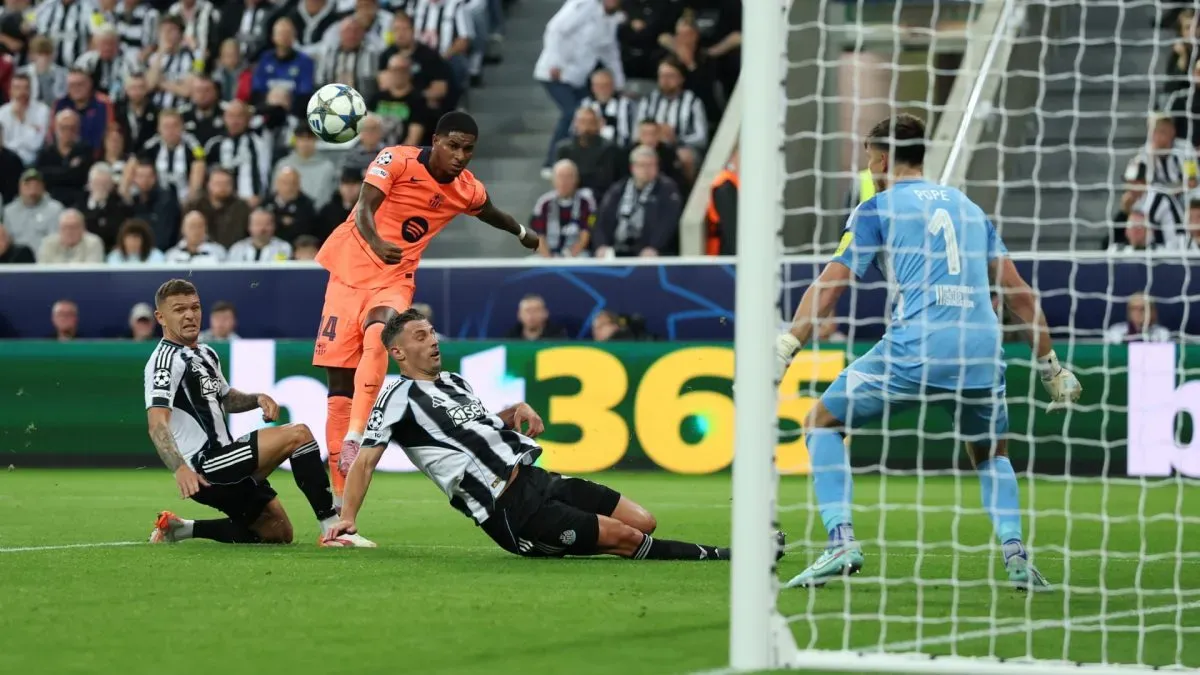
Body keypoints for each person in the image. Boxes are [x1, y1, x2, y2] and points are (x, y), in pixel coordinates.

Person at [775, 114, 1082, 591]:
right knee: (991, 453)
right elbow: (1018, 293)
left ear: (881, 158)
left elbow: (832, 283)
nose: (868, 165)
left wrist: (788, 344)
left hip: (916, 347)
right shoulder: (970, 208)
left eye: (869, 155)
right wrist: (1050, 367)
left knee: (821, 422)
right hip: (981, 352)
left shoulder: (876, 208)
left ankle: (841, 541)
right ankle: (1016, 555)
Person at [322, 309, 738, 561]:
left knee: (644, 522)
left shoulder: (454, 381)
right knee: (628, 539)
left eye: (431, 332)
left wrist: (514, 411)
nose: (432, 341)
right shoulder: (396, 397)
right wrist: (349, 519)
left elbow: (478, 428)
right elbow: (366, 461)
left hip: (538, 480)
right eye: (420, 336)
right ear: (397, 353)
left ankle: (563, 542)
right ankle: (717, 555)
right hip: (509, 508)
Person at [314, 111, 539, 508]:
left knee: (380, 333)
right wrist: (376, 243)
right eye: (453, 146)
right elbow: (364, 207)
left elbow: (492, 213)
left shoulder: (466, 189)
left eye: (468, 149)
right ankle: (338, 509)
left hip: (394, 278)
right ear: (435, 140)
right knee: (339, 387)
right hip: (348, 272)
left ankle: (355, 436)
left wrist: (522, 232)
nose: (460, 156)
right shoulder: (396, 159)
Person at [144, 279, 374, 547]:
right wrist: (180, 468)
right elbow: (157, 424)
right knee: (299, 435)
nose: (189, 315)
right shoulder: (164, 362)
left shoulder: (205, 353)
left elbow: (225, 399)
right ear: (161, 317)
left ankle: (180, 530)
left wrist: (256, 399)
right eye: (179, 309)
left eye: (195, 307)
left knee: (277, 532)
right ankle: (334, 529)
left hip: (226, 462)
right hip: (206, 466)